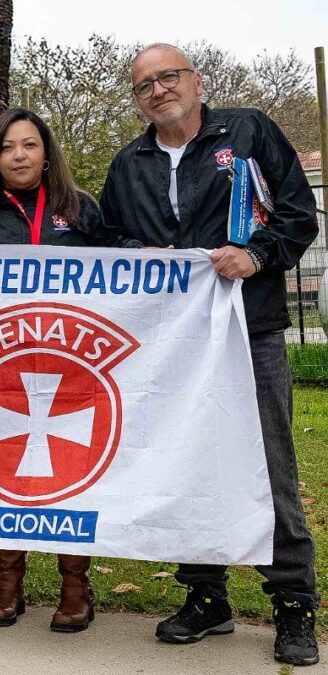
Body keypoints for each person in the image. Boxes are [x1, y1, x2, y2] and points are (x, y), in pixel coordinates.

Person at [100, 43, 320, 667]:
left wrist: (256, 255)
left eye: (168, 76)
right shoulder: (129, 164)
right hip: (173, 346)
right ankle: (206, 596)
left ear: (197, 81)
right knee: (187, 467)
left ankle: (293, 603)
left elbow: (298, 215)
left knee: (269, 466)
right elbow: (112, 237)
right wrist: (136, 255)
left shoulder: (249, 132)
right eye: (144, 84)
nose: (158, 89)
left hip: (250, 331)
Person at [0, 107, 128, 633]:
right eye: (7, 147)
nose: (19, 156)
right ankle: (8, 584)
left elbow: (122, 262)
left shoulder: (81, 209)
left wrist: (152, 257)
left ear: (47, 152)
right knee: (5, 471)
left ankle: (76, 588)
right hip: (1, 374)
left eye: (29, 145)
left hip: (73, 372)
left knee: (71, 474)